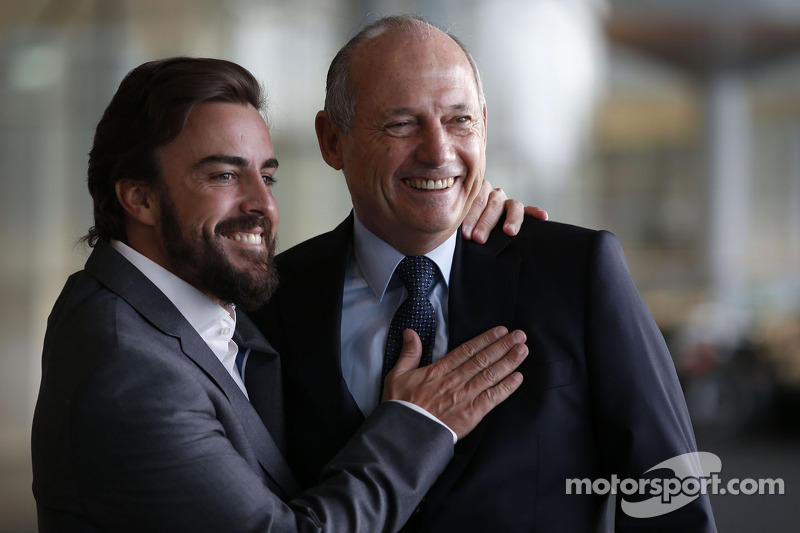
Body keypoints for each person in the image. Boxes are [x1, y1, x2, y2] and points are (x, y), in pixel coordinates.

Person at [250, 15, 717, 532]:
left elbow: (670, 499)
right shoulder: (272, 300)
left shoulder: (573, 273)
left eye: (459, 121)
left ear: (485, 126)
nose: (438, 152)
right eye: (401, 123)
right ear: (331, 140)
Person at [30, 56, 532, 532]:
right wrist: (416, 423)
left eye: (266, 175)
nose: (262, 204)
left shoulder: (196, 308)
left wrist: (444, 200)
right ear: (139, 197)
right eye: (224, 175)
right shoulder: (130, 370)